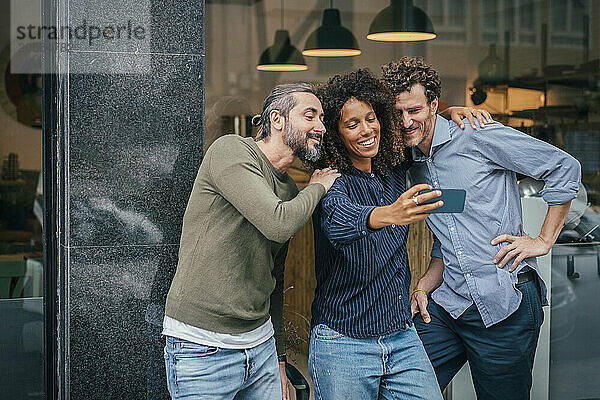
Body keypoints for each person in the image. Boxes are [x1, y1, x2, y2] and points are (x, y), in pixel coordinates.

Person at [382, 57, 582, 399]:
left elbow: (563, 167)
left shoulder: (477, 135)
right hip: (449, 305)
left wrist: (543, 240)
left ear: (433, 104)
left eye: (414, 110)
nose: (405, 122)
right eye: (397, 113)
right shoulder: (411, 160)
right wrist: (425, 285)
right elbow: (450, 239)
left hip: (504, 301)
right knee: (397, 386)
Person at [306, 68, 491, 400]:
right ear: (336, 133)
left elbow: (417, 129)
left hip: (401, 337)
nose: (366, 130)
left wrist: (446, 113)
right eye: (352, 124)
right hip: (343, 342)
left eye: (371, 118)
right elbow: (337, 220)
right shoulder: (331, 181)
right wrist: (387, 214)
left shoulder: (391, 164)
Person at [162, 83, 340, 400]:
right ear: (277, 119)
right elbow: (276, 222)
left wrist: (280, 359)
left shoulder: (286, 191)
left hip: (260, 347)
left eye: (322, 118)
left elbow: (275, 280)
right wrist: (318, 187)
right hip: (202, 345)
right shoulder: (231, 151)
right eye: (310, 115)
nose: (321, 126)